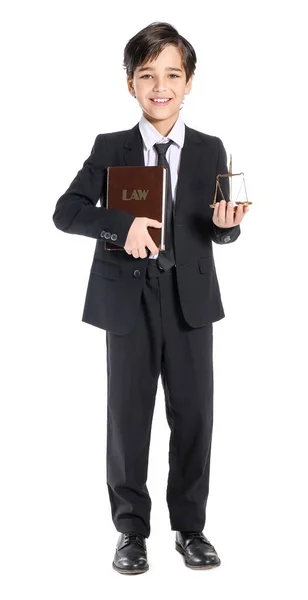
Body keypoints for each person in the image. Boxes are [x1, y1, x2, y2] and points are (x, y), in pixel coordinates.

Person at [52, 21, 249, 575]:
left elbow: (214, 228)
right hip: (128, 304)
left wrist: (228, 226)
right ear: (131, 85)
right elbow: (65, 211)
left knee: (194, 417)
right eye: (147, 75)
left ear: (188, 84)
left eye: (172, 75)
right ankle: (131, 532)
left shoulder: (210, 149)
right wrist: (120, 226)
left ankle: (191, 529)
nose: (160, 86)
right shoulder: (109, 147)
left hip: (190, 303)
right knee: (129, 417)